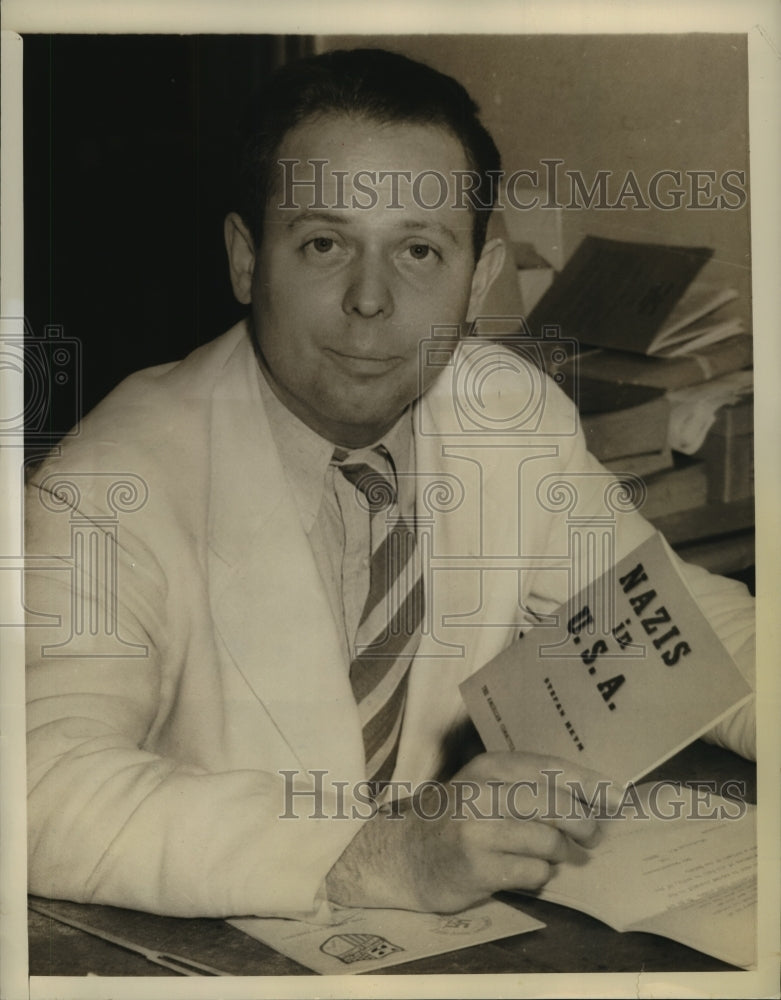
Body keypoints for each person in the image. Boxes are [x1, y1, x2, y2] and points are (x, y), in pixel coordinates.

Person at [25, 48, 755, 921]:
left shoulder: (505, 413)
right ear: (247, 259)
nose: (370, 300)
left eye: (418, 250)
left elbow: (676, 625)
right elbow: (32, 779)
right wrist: (372, 854)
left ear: (478, 282)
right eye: (324, 243)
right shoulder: (107, 482)